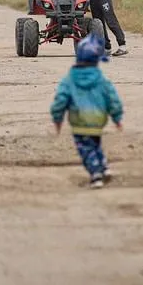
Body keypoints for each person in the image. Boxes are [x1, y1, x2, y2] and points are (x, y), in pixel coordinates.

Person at [50, 33, 124, 188]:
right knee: (95, 144)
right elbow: (113, 99)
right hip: (98, 120)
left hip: (79, 121)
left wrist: (57, 119)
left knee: (85, 149)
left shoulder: (69, 79)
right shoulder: (101, 79)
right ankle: (104, 167)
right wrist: (117, 118)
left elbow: (60, 100)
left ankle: (95, 174)